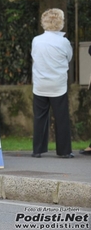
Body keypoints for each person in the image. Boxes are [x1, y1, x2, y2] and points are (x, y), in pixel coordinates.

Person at [31, 8, 73, 159]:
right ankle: (64, 151)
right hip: (58, 85)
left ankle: (37, 150)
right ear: (60, 23)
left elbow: (34, 56)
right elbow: (68, 57)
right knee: (61, 118)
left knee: (39, 117)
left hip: (40, 84)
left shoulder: (36, 40)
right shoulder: (64, 42)